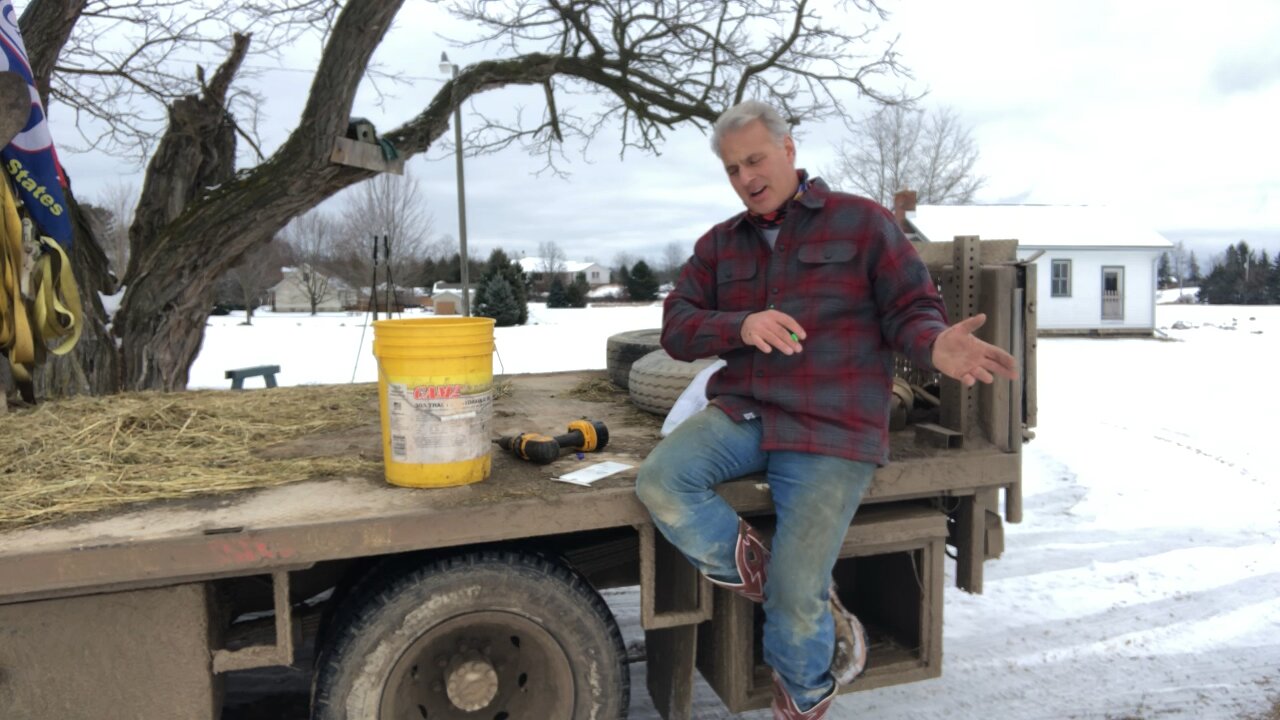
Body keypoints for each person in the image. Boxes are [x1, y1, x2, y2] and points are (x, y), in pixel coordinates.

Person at [635, 100, 1018, 720]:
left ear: (789, 150)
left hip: (832, 426)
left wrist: (934, 342)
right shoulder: (719, 245)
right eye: (732, 169)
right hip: (748, 411)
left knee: (794, 600)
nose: (745, 178)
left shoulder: (861, 224)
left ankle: (807, 695)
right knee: (661, 480)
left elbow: (910, 308)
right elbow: (677, 328)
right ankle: (761, 571)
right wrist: (740, 323)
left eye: (755, 159)